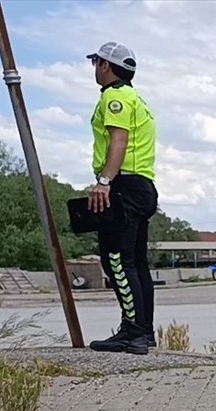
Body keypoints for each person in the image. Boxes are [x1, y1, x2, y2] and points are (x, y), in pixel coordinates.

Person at [84, 41, 158, 355]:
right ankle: (143, 331)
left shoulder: (115, 97)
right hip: (141, 186)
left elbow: (119, 139)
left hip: (123, 187)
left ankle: (133, 333)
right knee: (135, 262)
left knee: (115, 260)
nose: (94, 68)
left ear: (105, 65)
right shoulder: (134, 98)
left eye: (95, 62)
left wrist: (104, 182)